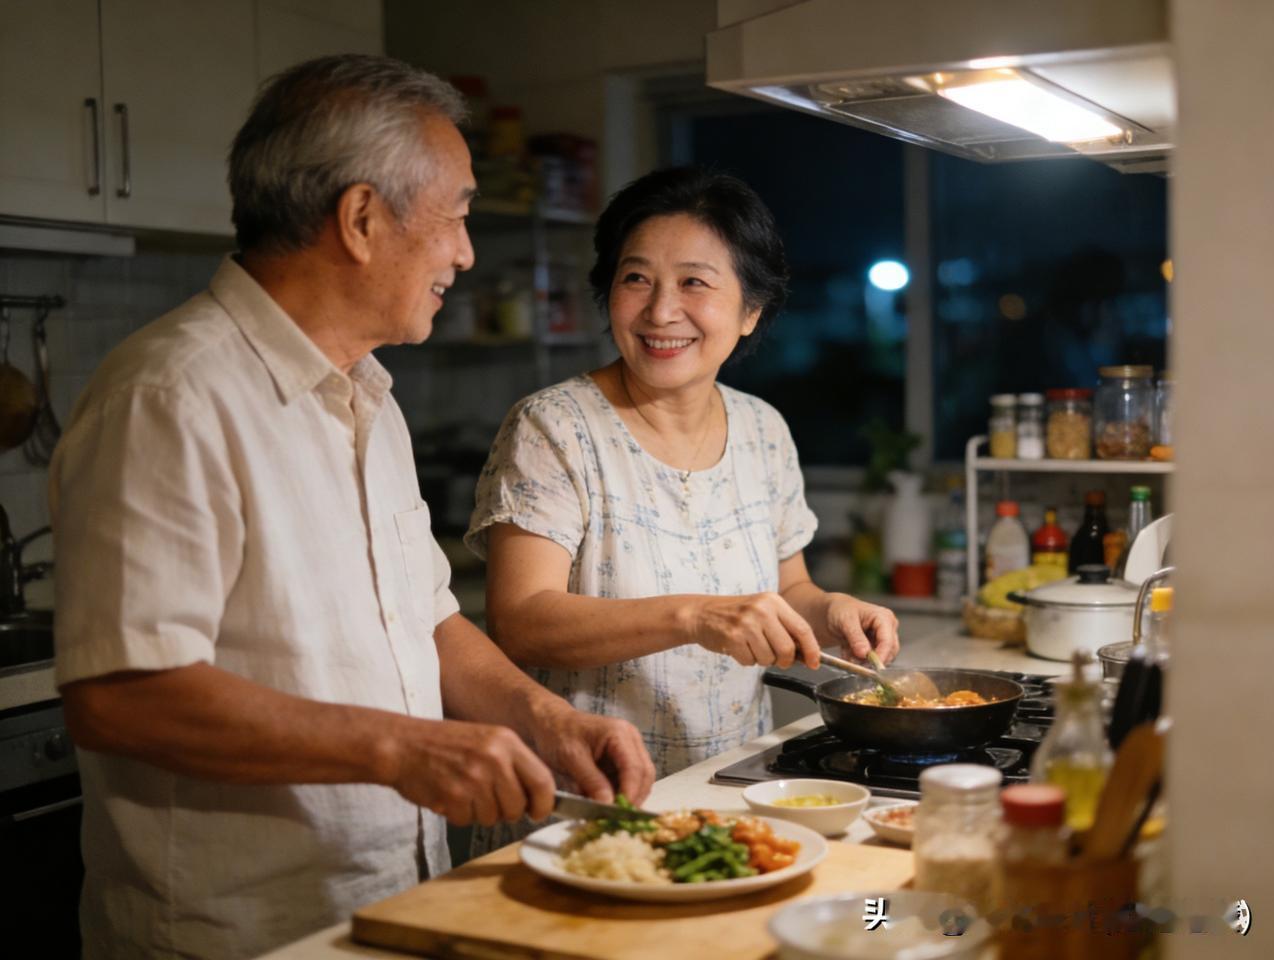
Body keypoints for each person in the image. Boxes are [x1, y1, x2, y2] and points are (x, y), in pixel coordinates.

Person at [50, 55, 653, 960]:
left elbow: (426, 618)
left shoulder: (368, 394)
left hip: (384, 905)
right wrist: (401, 750)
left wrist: (547, 719)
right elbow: (123, 697)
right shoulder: (170, 394)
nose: (465, 250)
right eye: (454, 214)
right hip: (236, 933)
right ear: (363, 219)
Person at [465, 167, 899, 823]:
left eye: (694, 282)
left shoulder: (763, 429)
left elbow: (787, 591)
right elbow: (520, 622)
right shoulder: (554, 427)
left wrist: (830, 609)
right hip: (590, 803)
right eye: (636, 278)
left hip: (730, 790)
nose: (661, 311)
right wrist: (694, 617)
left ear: (751, 310)